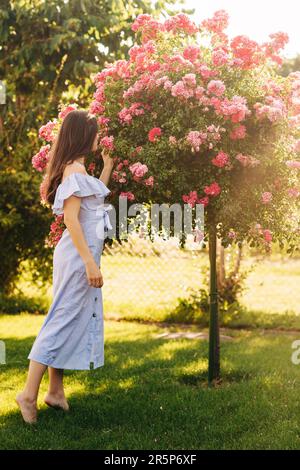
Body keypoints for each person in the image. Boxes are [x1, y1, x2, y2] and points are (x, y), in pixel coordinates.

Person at [16, 110, 114, 424]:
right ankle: (28, 394)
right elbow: (71, 220)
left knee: (67, 318)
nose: (99, 138)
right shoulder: (73, 171)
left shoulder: (78, 170)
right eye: (95, 133)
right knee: (61, 320)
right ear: (84, 136)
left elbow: (91, 202)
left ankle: (54, 391)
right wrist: (89, 263)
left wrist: (108, 166)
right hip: (77, 259)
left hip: (78, 257)